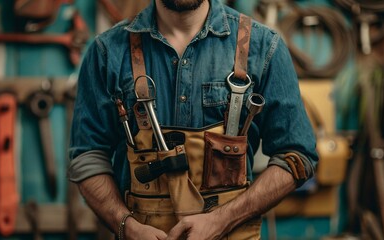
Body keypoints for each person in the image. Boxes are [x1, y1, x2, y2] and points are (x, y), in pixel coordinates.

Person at [67, 0, 318, 239]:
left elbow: (296, 156)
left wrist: (222, 220)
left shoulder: (264, 47)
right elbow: (87, 158)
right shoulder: (107, 52)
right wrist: (126, 226)